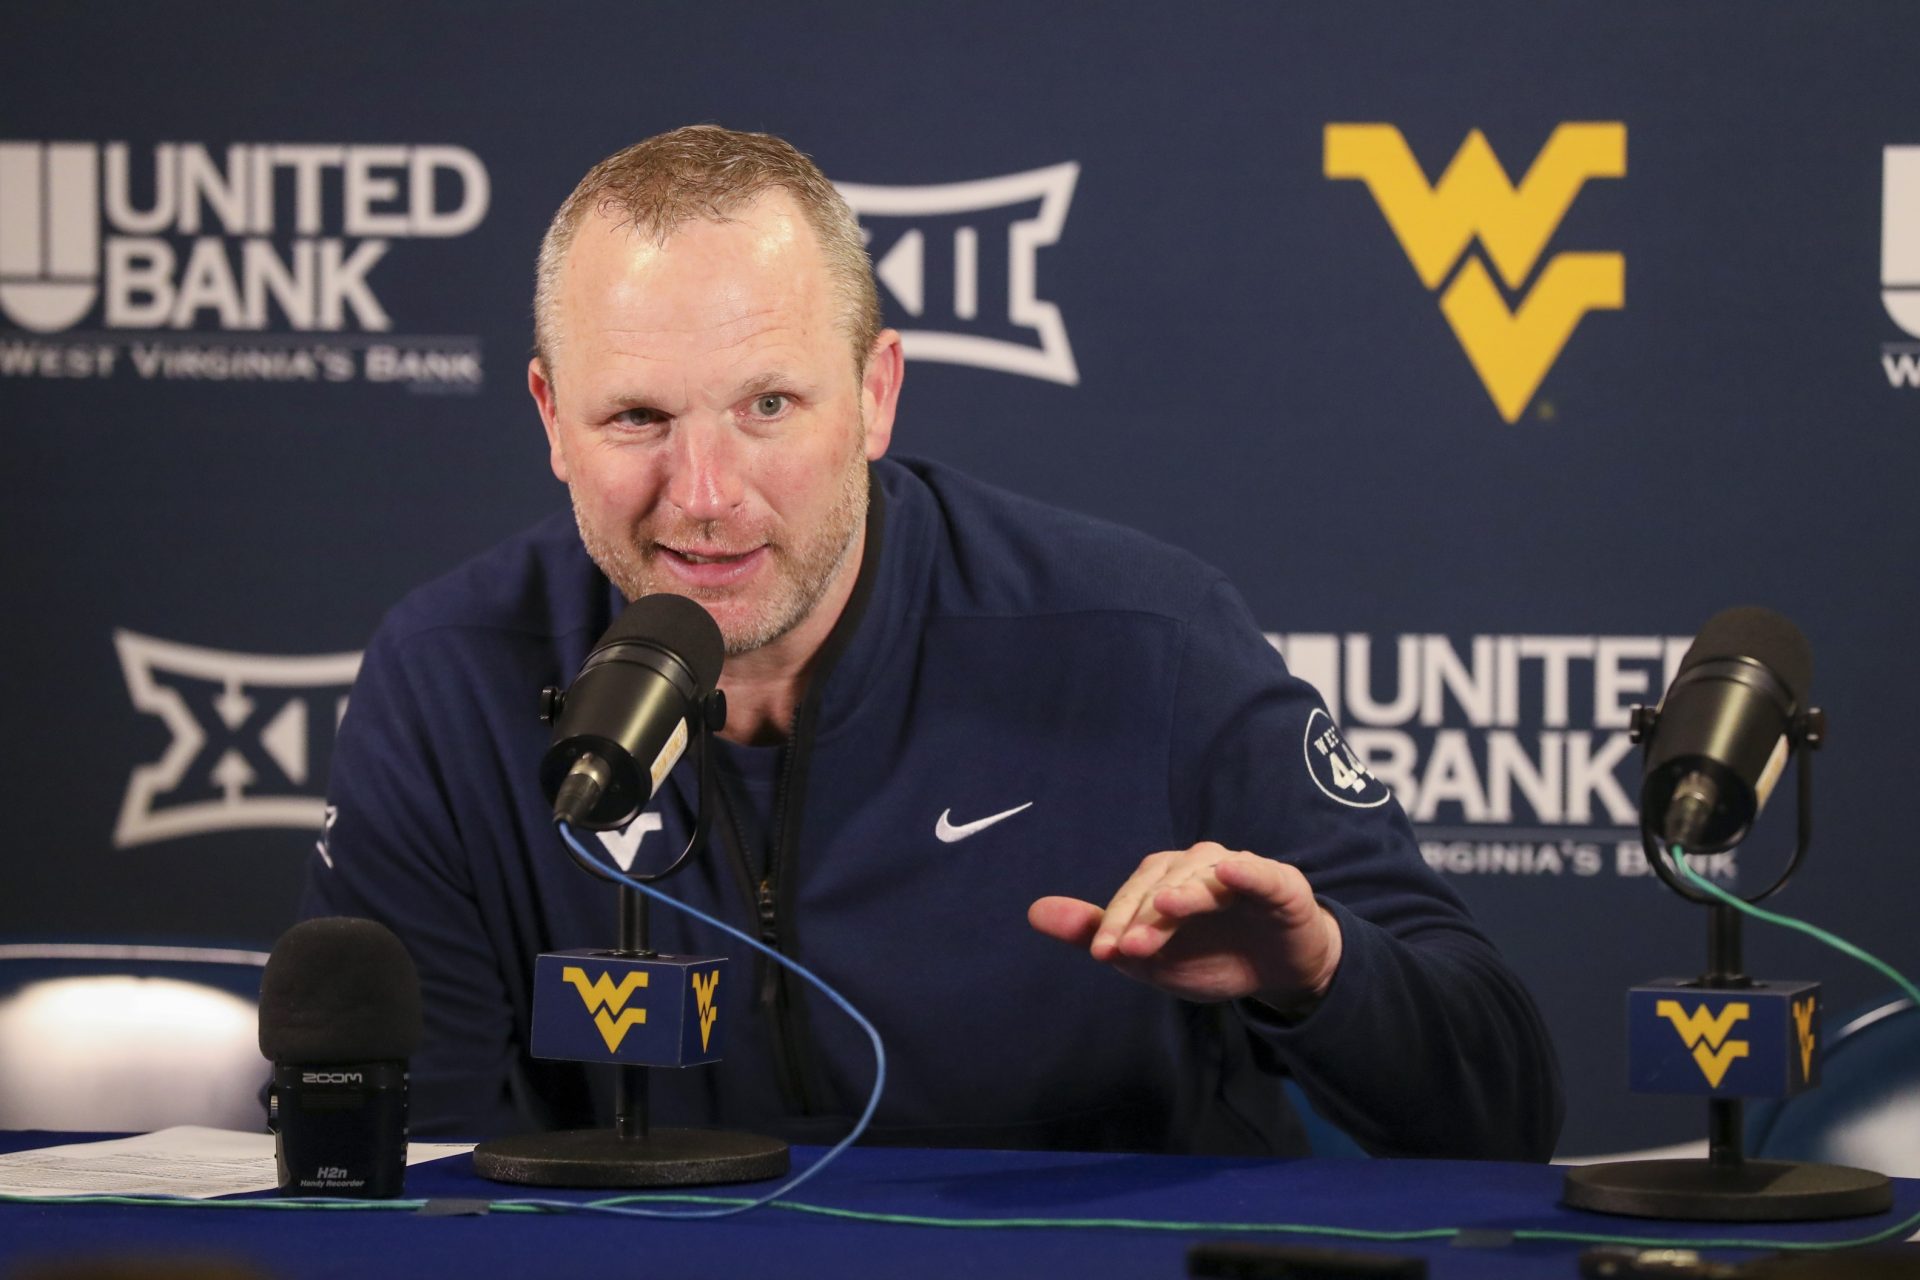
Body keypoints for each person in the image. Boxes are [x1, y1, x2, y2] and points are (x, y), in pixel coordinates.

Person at [302, 125, 1562, 1159]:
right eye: (636, 415)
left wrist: (1321, 974)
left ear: (878, 393)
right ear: (551, 419)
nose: (702, 492)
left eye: (769, 406)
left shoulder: (1140, 639)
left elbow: (1506, 1100)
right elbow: (415, 1181)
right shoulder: (448, 677)